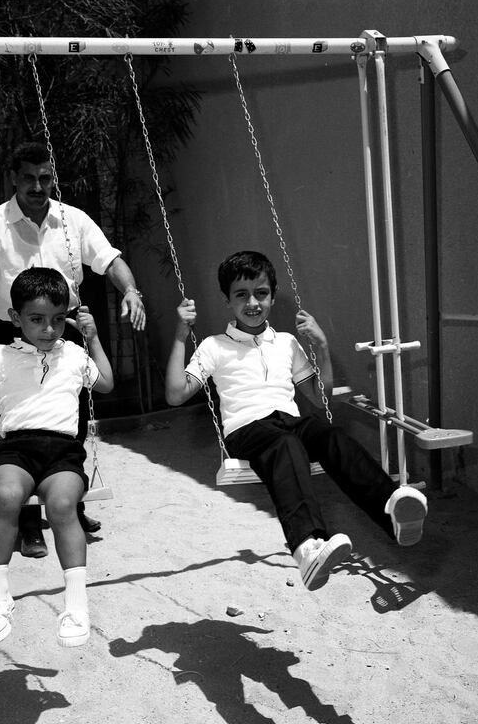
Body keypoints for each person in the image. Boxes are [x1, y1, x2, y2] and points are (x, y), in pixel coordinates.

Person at [165, 250, 428, 591]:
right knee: (285, 445)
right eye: (241, 295)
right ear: (227, 301)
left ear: (272, 296)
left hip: (289, 419)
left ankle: (391, 507)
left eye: (261, 293)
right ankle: (307, 547)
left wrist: (320, 345)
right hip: (247, 429)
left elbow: (320, 398)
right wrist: (179, 336)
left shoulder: (287, 343)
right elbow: (175, 394)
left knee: (329, 435)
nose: (253, 303)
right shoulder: (215, 347)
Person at [0, 140, 145, 558]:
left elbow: (109, 259)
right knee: (23, 424)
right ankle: (28, 525)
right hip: (16, 337)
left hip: (66, 333)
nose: (38, 186)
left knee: (71, 422)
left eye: (45, 178)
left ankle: (70, 505)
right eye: (29, 178)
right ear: (14, 178)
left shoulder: (72, 220)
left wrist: (131, 290)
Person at [0, 268, 114, 647]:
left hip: (63, 452)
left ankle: (76, 603)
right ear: (16, 318)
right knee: (5, 497)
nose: (49, 330)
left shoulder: (74, 354)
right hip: (16, 450)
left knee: (64, 504)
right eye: (37, 320)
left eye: (57, 320)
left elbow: (105, 383)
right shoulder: (0, 356)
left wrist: (94, 338)